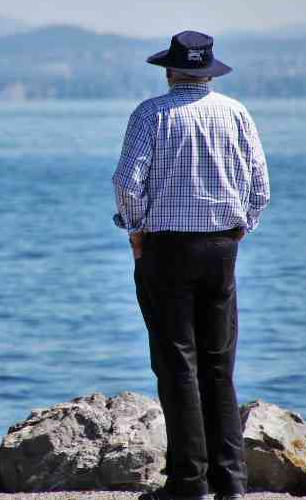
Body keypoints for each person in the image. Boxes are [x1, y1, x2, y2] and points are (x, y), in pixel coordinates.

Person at [112, 30, 270, 500]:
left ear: (169, 71)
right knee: (219, 366)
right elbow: (260, 187)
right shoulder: (236, 113)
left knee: (177, 364)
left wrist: (135, 230)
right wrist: (240, 229)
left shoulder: (149, 114)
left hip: (165, 249)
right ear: (209, 72)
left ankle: (188, 483)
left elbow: (126, 183)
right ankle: (232, 482)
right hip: (222, 249)